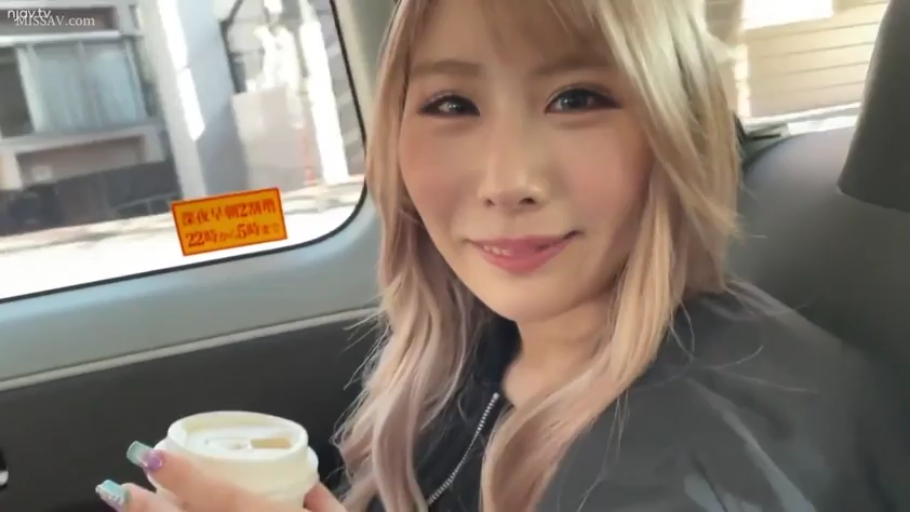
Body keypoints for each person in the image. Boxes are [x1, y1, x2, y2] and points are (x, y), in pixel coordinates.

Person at [94, 0, 910, 510]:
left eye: (577, 98)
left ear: (677, 126)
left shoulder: (706, 461)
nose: (507, 180)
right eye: (452, 103)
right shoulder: (465, 353)